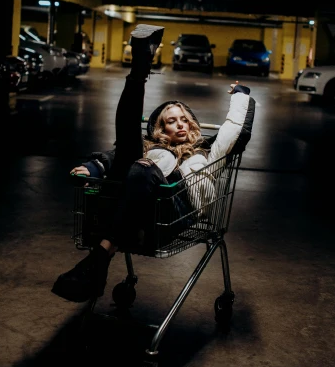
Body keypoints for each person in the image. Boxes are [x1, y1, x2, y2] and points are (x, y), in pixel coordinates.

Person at [51, 23, 255, 303]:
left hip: (175, 208)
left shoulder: (206, 151)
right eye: (171, 121)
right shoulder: (149, 149)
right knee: (135, 154)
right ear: (160, 130)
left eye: (185, 119)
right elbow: (116, 157)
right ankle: (140, 67)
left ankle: (99, 257)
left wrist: (241, 95)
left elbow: (235, 130)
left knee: (145, 166)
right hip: (139, 211)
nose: (180, 124)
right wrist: (95, 168)